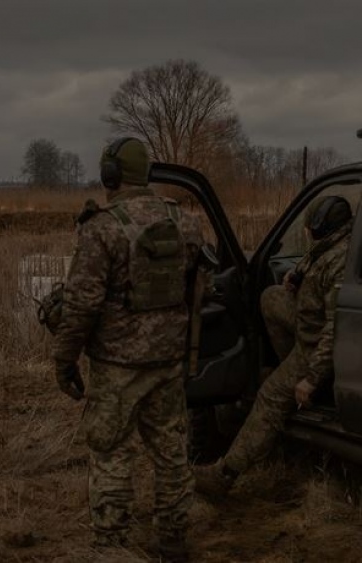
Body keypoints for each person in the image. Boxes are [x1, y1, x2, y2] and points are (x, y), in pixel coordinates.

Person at [53, 137, 204, 561]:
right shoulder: (186, 223)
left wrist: (64, 360)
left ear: (110, 175)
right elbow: (193, 288)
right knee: (171, 452)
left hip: (117, 365)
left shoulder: (101, 227)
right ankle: (173, 540)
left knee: (110, 451)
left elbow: (81, 304)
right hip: (168, 361)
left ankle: (112, 546)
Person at [195, 195, 353, 496]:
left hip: (317, 345)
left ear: (321, 226)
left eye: (311, 227)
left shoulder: (341, 263)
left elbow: (335, 330)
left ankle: (224, 475)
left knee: (269, 396)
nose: (308, 232)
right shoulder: (331, 246)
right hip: (309, 325)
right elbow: (312, 261)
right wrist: (295, 276)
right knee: (271, 297)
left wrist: (311, 377)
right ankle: (289, 367)